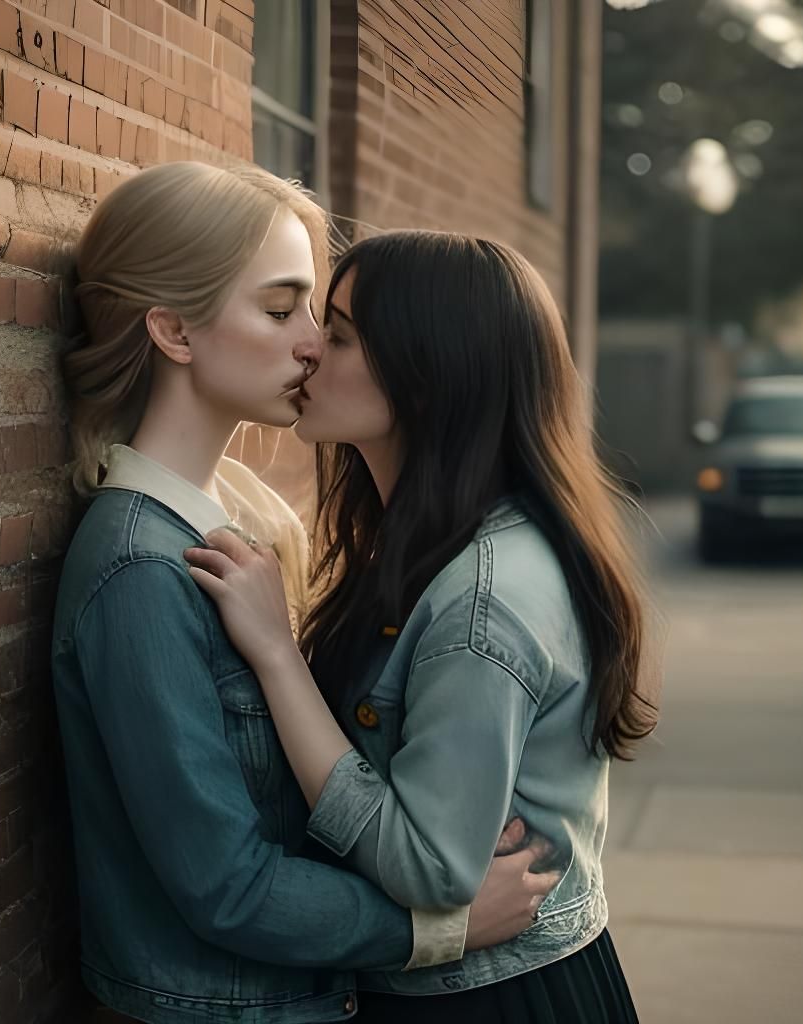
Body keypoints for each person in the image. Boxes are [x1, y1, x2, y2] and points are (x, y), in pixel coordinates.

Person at [51, 164, 558, 1024]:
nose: (314, 344)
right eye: (281, 310)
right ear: (174, 330)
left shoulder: (233, 525)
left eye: (315, 314)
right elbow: (227, 885)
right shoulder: (140, 568)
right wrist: (439, 927)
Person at [185, 230, 659, 1023]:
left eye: (339, 334)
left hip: (493, 1001)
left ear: (427, 374)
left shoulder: (482, 600)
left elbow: (432, 870)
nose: (309, 347)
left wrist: (277, 655)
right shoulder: (424, 544)